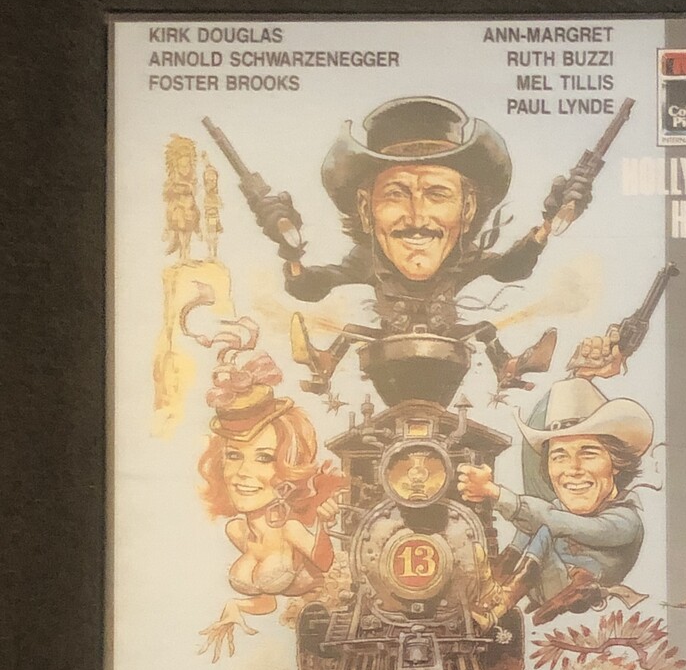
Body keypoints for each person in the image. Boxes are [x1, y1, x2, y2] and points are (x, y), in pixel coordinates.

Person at [242, 97, 595, 391]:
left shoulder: (463, 257)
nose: (416, 216)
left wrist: (548, 224)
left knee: (485, 331)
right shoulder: (367, 259)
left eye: (437, 194)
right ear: (366, 210)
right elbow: (310, 285)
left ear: (467, 209)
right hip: (388, 354)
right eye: (395, 194)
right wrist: (290, 250)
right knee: (350, 332)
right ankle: (324, 360)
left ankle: (510, 365)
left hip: (447, 348)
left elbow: (510, 268)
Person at [458, 375, 653, 622]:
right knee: (537, 525)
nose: (573, 469)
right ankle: (494, 581)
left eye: (588, 453)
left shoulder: (626, 521)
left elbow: (556, 522)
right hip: (543, 585)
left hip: (572, 591)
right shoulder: (558, 509)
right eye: (559, 456)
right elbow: (544, 520)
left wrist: (495, 493)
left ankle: (502, 601)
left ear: (616, 463)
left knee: (546, 526)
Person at [197, 351, 344, 661]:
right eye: (233, 456)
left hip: (326, 638)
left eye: (264, 458)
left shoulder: (293, 528)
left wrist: (321, 520)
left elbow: (337, 576)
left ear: (288, 467)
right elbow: (268, 598)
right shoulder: (237, 530)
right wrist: (236, 607)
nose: (242, 473)